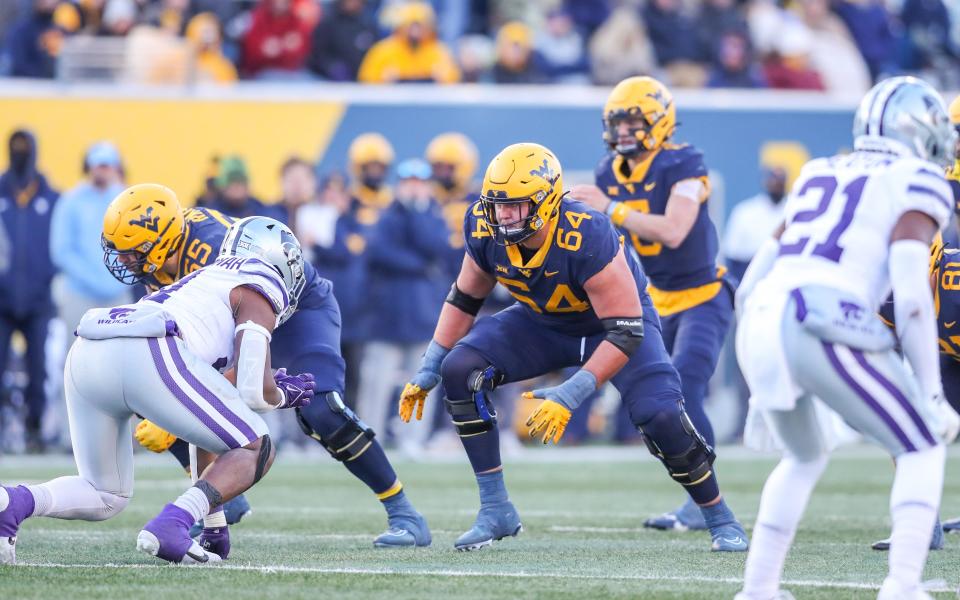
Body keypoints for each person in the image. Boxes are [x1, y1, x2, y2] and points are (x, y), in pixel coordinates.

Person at [397, 142, 748, 552]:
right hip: (541, 321)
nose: (503, 215)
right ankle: (496, 510)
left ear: (546, 202)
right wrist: (431, 364)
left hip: (613, 327)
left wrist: (573, 392)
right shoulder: (482, 224)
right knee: (460, 370)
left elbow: (626, 331)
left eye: (515, 206)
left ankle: (719, 514)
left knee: (662, 414)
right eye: (496, 204)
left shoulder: (586, 231)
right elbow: (464, 297)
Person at [100, 183, 430, 549]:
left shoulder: (210, 250)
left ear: (163, 241)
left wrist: (173, 407)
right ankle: (224, 499)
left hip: (295, 312)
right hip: (243, 320)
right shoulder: (161, 258)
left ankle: (404, 512)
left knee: (321, 411)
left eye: (133, 253)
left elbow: (242, 366)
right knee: (166, 400)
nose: (125, 260)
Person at [734, 77, 960, 600]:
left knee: (804, 456)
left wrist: (756, 392)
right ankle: (903, 586)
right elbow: (909, 295)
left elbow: (750, 284)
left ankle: (759, 589)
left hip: (764, 317)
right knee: (923, 447)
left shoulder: (818, 171)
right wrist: (930, 390)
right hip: (824, 313)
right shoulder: (918, 177)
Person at [0, 208, 315, 565]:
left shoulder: (206, 280)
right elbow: (253, 391)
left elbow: (206, 427)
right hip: (148, 348)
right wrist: (284, 394)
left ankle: (13, 503)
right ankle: (171, 524)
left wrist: (213, 524)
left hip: (89, 350)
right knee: (258, 446)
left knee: (105, 493)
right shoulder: (261, 279)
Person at [573, 76, 734, 532]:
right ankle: (696, 499)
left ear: (660, 121)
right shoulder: (609, 172)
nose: (624, 130)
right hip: (656, 299)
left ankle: (706, 503)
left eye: (633, 120)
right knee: (660, 396)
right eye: (617, 122)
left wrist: (612, 208)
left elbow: (674, 230)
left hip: (703, 294)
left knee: (686, 384)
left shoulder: (684, 162)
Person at [0, 129, 58, 452]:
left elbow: (58, 246)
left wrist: (47, 279)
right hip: (2, 299)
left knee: (39, 371)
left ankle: (36, 429)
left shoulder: (51, 197)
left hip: (38, 300)